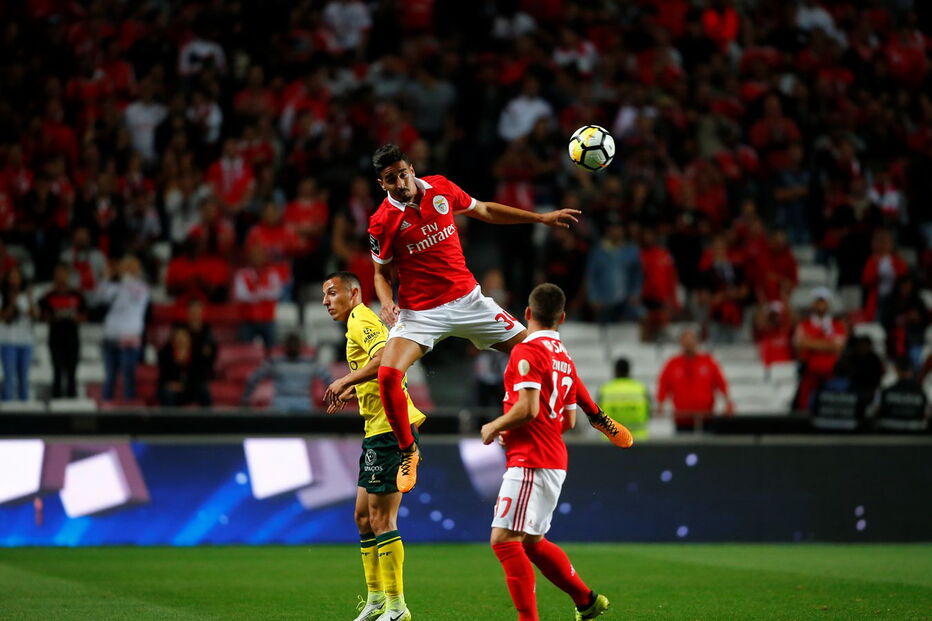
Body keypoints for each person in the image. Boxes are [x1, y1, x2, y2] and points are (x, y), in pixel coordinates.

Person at [368, 144, 631, 492]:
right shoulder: (382, 222)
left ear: (412, 169)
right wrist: (386, 302)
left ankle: (597, 416)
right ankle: (408, 452)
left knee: (546, 353)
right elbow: (380, 274)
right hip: (421, 313)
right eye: (391, 179)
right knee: (388, 375)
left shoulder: (441, 188)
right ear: (381, 183)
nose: (400, 182)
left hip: (469, 301)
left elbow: (487, 210)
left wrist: (540, 218)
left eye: (403, 174)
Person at [480, 283, 611, 621]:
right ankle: (587, 600)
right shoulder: (565, 359)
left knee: (504, 540)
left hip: (532, 458)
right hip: (551, 456)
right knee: (532, 541)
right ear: (562, 317)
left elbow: (528, 409)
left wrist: (496, 426)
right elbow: (567, 419)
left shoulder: (526, 351)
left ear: (527, 314)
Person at [321, 271, 425, 621]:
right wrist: (355, 390)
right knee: (363, 517)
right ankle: (376, 599)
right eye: (324, 295)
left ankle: (397, 607)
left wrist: (345, 378)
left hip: (390, 430)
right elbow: (379, 365)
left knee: (382, 518)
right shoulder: (357, 322)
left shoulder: (361, 320)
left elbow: (387, 360)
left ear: (353, 294)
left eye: (332, 293)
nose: (325, 301)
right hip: (375, 429)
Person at [656, 327, 734, 430]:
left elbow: (721, 383)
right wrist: (660, 404)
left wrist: (728, 402)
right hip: (682, 419)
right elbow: (663, 384)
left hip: (706, 418)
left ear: (697, 342)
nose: (689, 344)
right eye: (686, 340)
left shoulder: (708, 362)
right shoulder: (672, 364)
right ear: (681, 342)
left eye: (691, 340)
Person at [96, 255, 150, 401]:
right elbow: (100, 297)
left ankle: (129, 413)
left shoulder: (142, 288)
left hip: (129, 338)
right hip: (111, 337)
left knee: (128, 378)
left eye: (132, 267)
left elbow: (134, 296)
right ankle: (105, 411)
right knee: (110, 377)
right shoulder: (114, 286)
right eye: (127, 267)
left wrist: (122, 278)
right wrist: (107, 278)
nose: (129, 270)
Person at [241, 332, 330, 412]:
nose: (293, 346)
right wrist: (246, 399)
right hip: (282, 402)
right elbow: (254, 378)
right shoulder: (275, 363)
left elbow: (328, 379)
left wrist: (330, 400)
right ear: (285, 346)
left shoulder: (310, 363)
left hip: (302, 402)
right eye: (291, 344)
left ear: (300, 346)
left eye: (295, 344)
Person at [793, 288, 846, 411]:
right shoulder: (804, 324)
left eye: (823, 301)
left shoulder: (837, 325)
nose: (820, 305)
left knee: (831, 407)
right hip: (809, 373)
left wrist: (812, 343)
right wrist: (828, 345)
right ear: (812, 304)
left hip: (831, 374)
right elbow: (800, 345)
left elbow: (838, 347)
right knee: (805, 407)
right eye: (818, 301)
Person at [39, 263, 87, 398]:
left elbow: (84, 315)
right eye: (58, 273)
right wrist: (54, 317)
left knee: (72, 373)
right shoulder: (48, 296)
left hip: (72, 338)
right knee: (57, 372)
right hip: (56, 338)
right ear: (54, 275)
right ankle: (56, 403)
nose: (61, 276)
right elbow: (42, 316)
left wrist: (75, 317)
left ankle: (71, 403)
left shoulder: (76, 295)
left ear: (68, 275)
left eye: (63, 273)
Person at [0, 265, 37, 401]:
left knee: (24, 378)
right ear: (7, 279)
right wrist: (12, 302)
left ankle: (24, 408)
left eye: (17, 276)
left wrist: (30, 299)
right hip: (7, 341)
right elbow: (3, 317)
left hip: (25, 341)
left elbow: (34, 315)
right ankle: (7, 408)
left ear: (21, 280)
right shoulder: (2, 296)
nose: (14, 280)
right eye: (12, 276)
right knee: (9, 377)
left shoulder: (26, 297)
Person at [157, 326, 212, 407]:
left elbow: (200, 376)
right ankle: (168, 418)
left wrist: (185, 386)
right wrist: (172, 385)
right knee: (167, 392)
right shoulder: (166, 354)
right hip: (173, 388)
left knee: (203, 390)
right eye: (178, 336)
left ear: (189, 339)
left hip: (191, 388)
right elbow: (163, 377)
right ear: (173, 340)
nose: (181, 340)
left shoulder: (196, 353)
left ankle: (209, 418)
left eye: (184, 336)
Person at [598, 358, 650, 441]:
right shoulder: (641, 389)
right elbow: (649, 412)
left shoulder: (605, 389)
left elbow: (595, 415)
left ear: (615, 371)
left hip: (610, 440)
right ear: (629, 370)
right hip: (638, 438)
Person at [875, 357, 929, 432]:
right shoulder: (921, 392)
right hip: (915, 437)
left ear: (896, 369)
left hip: (889, 435)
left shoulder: (886, 391)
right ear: (911, 371)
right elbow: (926, 414)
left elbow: (876, 411)